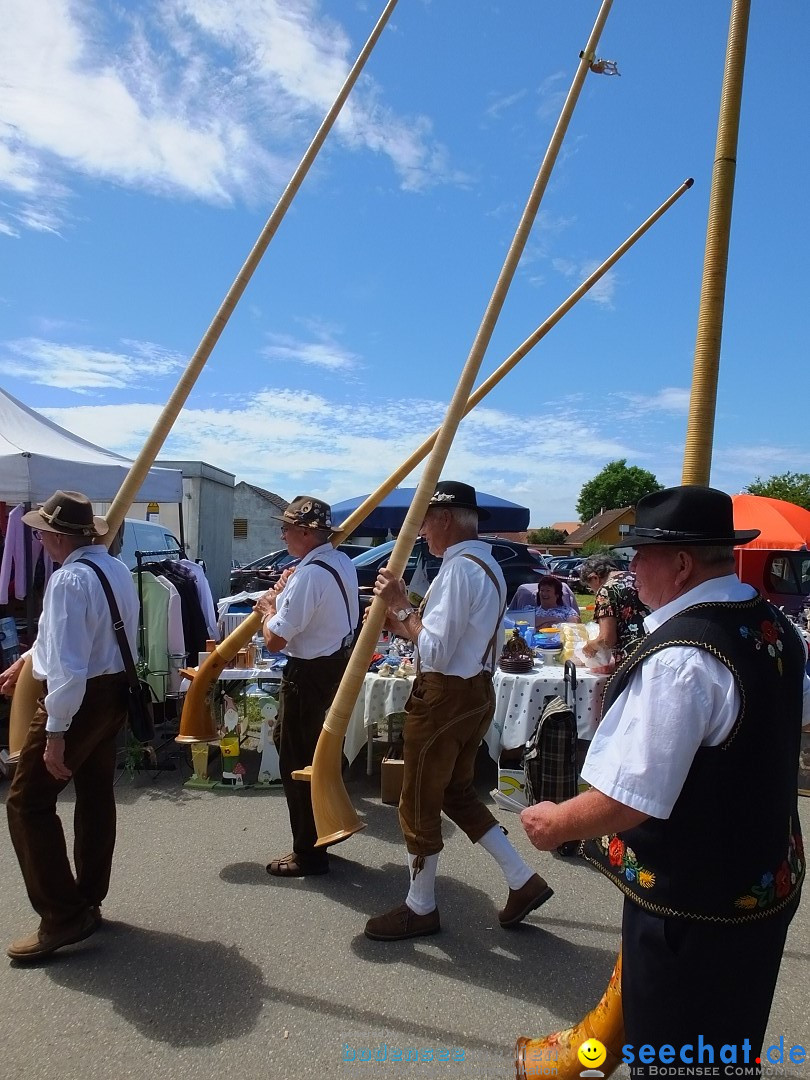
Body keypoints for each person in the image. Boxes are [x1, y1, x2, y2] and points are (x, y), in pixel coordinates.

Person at [520, 486, 808, 1062]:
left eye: (639, 555)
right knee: (728, 1042)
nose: (629, 570)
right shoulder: (771, 622)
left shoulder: (683, 657)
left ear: (680, 565)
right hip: (764, 881)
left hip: (695, 904)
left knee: (675, 1055)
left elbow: (634, 799)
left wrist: (557, 824)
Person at [364, 481, 553, 941]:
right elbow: (447, 638)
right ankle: (522, 879)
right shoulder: (484, 562)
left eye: (427, 520)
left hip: (445, 696)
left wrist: (400, 603)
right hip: (475, 694)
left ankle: (420, 906)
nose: (423, 530)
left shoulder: (456, 571)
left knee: (418, 801)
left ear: (445, 519)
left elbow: (437, 649)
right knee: (456, 793)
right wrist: (404, 620)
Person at [0, 490, 139, 962]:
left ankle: (63, 915)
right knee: (96, 796)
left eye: (42, 531)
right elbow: (69, 640)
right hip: (114, 693)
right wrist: (27, 659)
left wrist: (55, 733)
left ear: (60, 537)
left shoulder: (68, 581)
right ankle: (89, 898)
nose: (37, 537)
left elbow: (69, 665)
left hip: (79, 700)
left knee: (26, 804)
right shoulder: (114, 570)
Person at [254, 496, 358, 878]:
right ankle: (323, 833)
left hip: (309, 674)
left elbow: (275, 641)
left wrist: (269, 609)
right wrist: (285, 592)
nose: (281, 534)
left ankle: (309, 854)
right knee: (316, 755)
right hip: (333, 667)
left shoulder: (311, 573)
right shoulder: (339, 562)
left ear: (305, 532)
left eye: (286, 528)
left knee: (296, 762)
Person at [579, 553, 648, 668]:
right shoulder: (635, 577)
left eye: (589, 586)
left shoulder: (606, 590)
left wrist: (590, 646)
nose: (592, 591)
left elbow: (606, 639)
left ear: (594, 577)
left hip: (631, 657)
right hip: (652, 646)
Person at [508, 574, 580, 628]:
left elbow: (574, 624)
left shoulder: (567, 610)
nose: (544, 594)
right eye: (542, 590)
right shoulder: (530, 610)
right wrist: (554, 619)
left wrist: (540, 626)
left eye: (548, 590)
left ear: (557, 595)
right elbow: (525, 623)